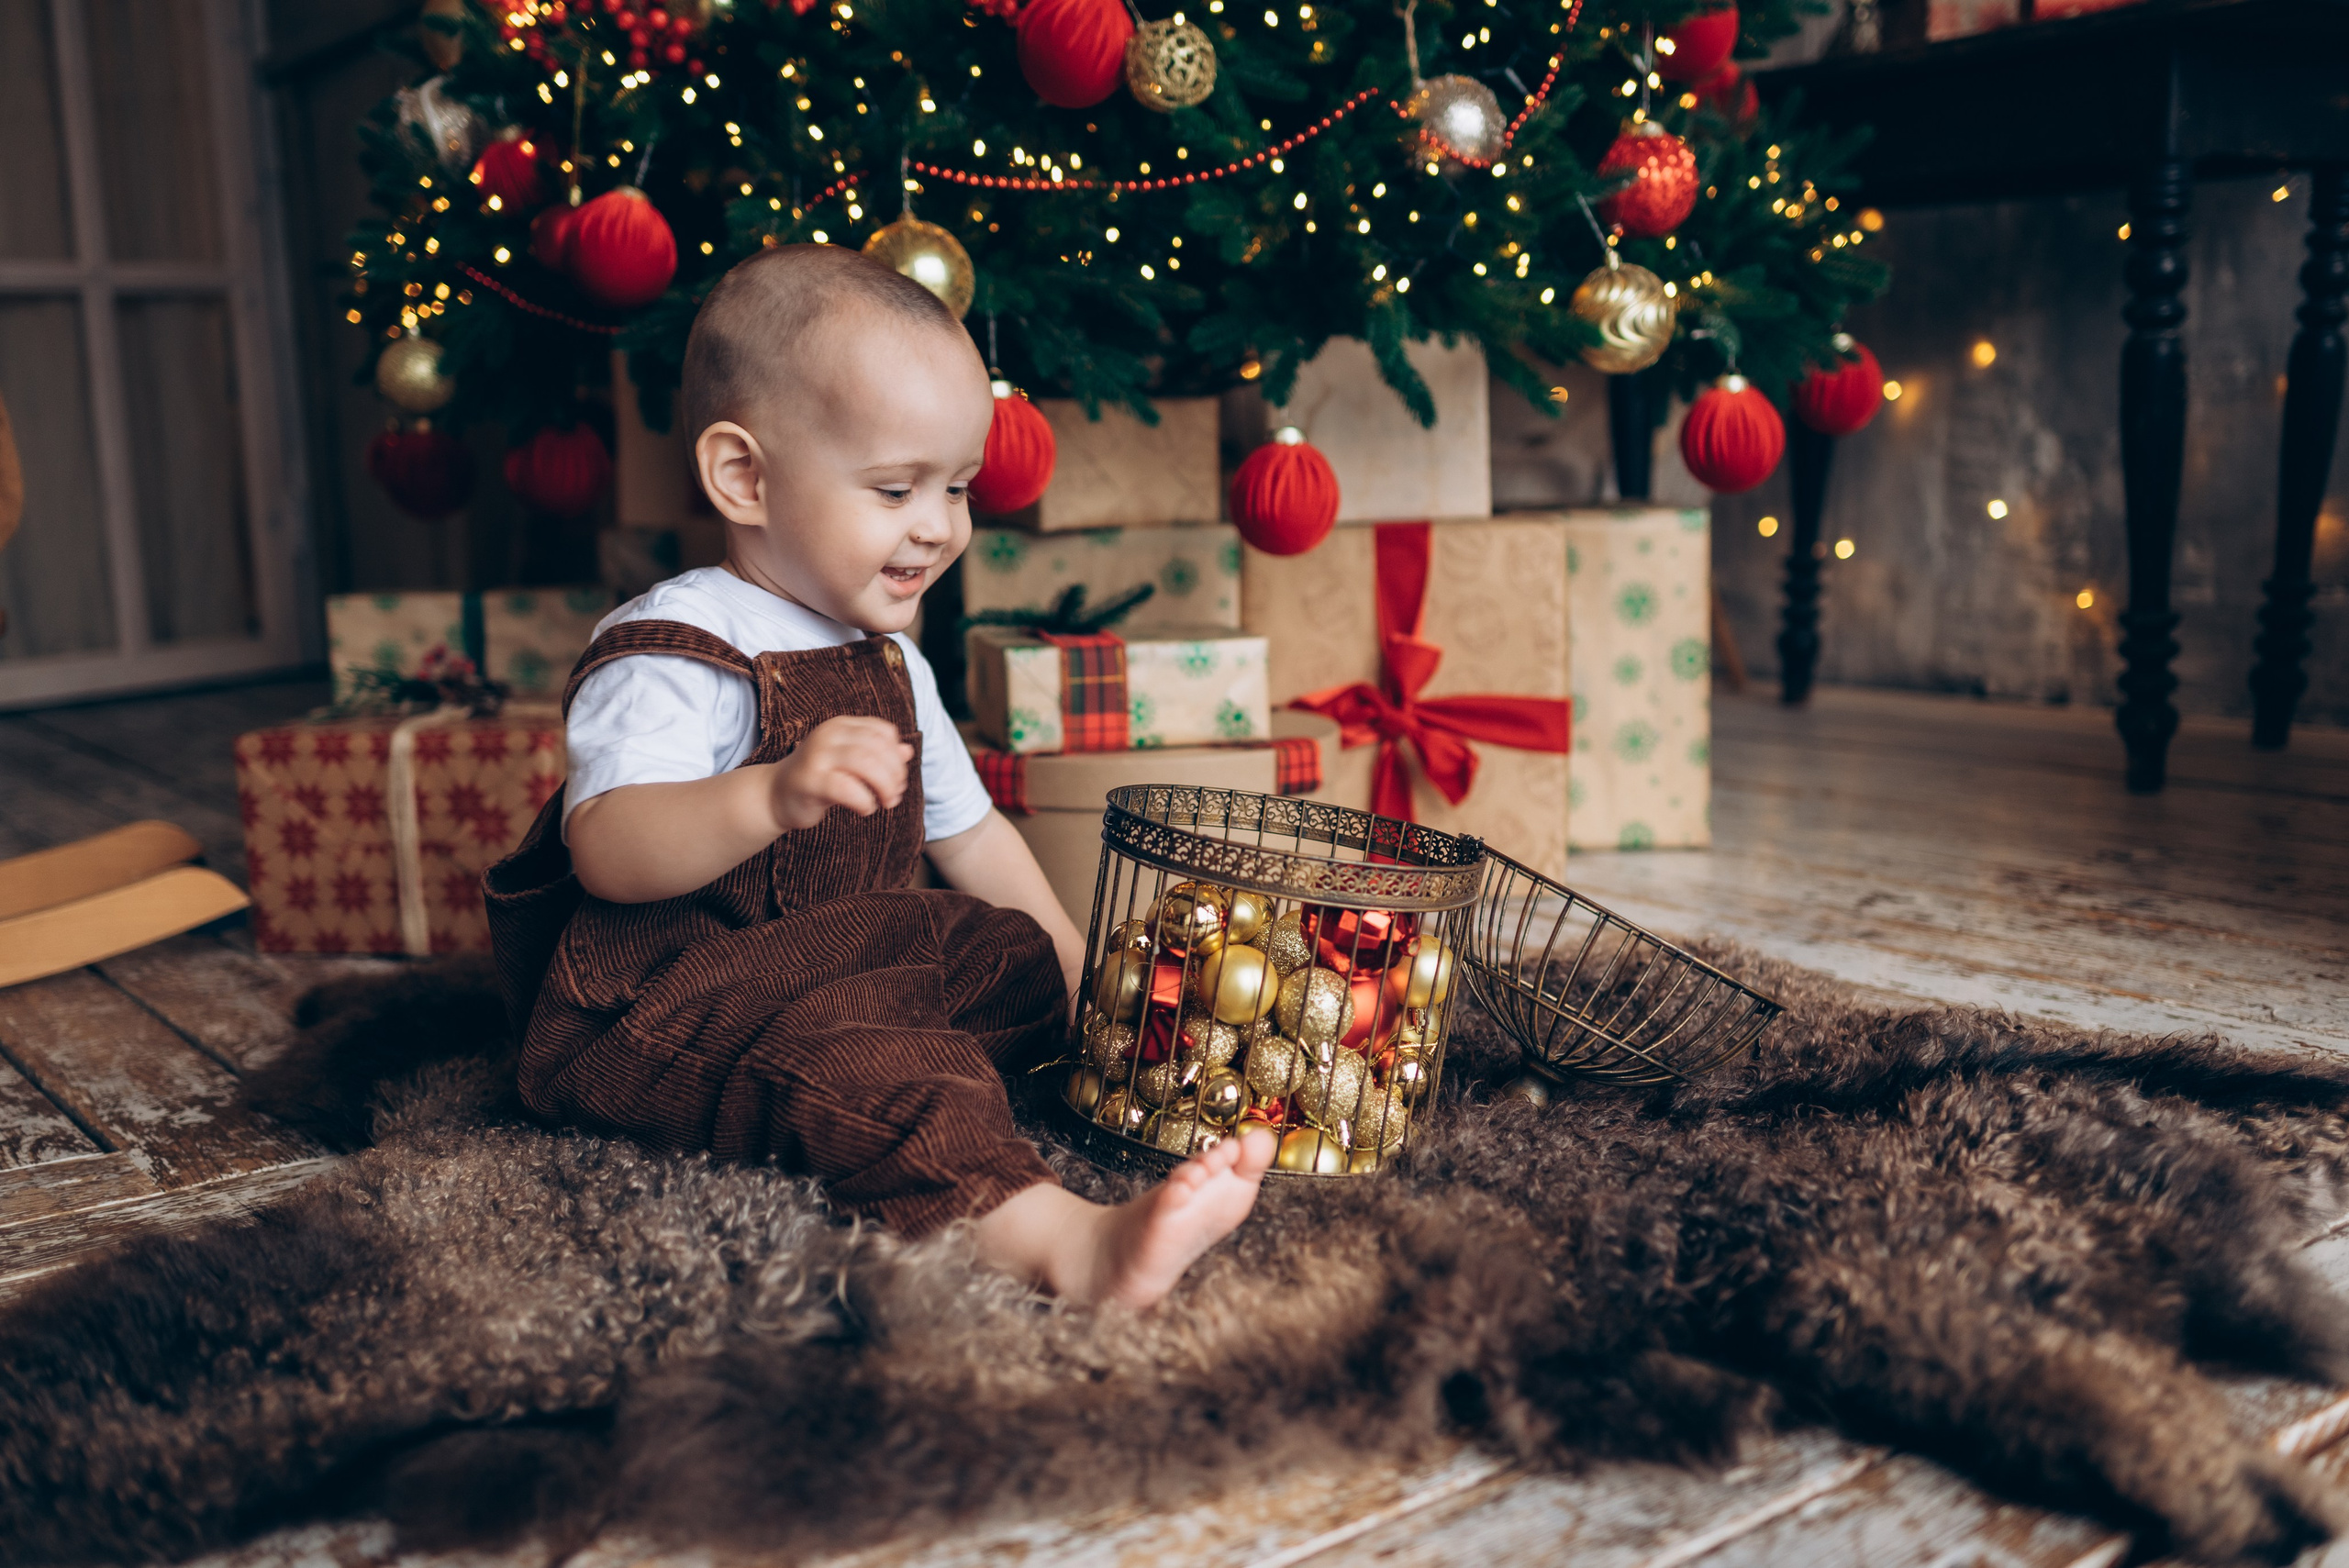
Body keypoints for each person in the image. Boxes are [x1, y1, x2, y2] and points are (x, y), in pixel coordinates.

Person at [484, 244, 1275, 1307]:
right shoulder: (676, 643)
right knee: (872, 1062)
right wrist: (767, 796)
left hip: (847, 960)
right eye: (896, 487)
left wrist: (1079, 971)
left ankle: (1113, 1058)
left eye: (956, 487)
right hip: (668, 1008)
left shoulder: (888, 654)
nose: (939, 526)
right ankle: (1061, 1241)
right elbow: (610, 849)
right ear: (744, 477)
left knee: (1008, 957)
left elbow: (971, 835)